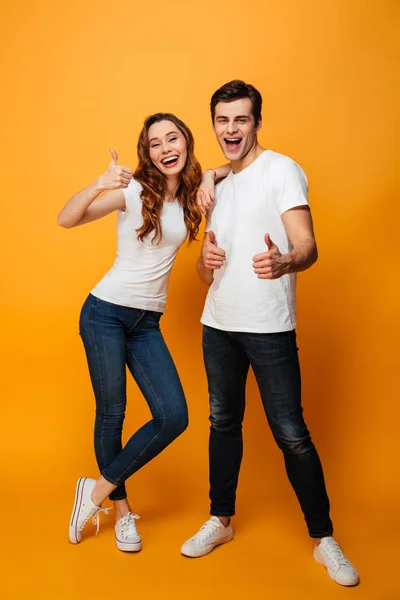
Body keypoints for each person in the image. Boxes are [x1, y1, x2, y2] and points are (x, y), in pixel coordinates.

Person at [181, 81, 359, 587]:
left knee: (291, 434)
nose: (231, 129)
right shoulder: (216, 185)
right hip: (218, 324)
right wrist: (203, 262)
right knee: (222, 424)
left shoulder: (282, 170)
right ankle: (221, 520)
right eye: (222, 120)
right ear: (213, 124)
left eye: (241, 119)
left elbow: (308, 245)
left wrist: (285, 261)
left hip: (268, 327)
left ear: (257, 122)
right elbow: (205, 270)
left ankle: (324, 540)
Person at [58, 113, 225, 552]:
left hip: (147, 322)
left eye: (174, 139)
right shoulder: (134, 190)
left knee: (173, 416)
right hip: (105, 313)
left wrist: (209, 173)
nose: (166, 148)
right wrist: (99, 182)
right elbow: (66, 218)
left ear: (186, 143)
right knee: (112, 414)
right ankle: (121, 512)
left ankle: (92, 492)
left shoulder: (193, 195)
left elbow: (234, 164)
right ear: (146, 152)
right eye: (156, 143)